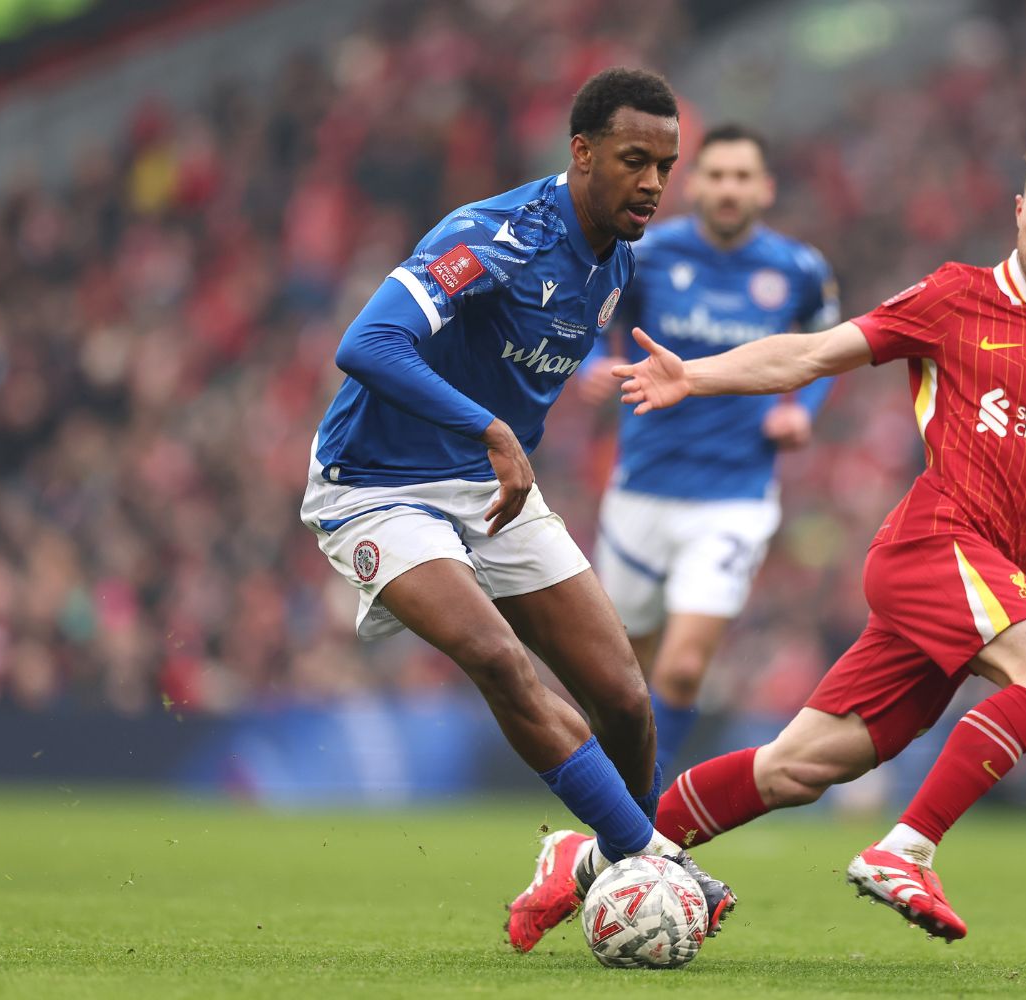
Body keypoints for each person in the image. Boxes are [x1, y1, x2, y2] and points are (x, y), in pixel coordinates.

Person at [616, 132, 1026, 940]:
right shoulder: (956, 296)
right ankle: (908, 849)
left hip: (983, 576)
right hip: (935, 543)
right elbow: (813, 354)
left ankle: (592, 855)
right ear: (1017, 209)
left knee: (801, 766)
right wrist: (696, 374)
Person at [297, 67, 735, 954]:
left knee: (626, 702)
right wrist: (492, 427)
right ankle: (651, 860)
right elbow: (366, 342)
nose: (654, 182)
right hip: (376, 485)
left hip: (490, 487)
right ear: (580, 153)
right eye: (633, 160)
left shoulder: (616, 257)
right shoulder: (494, 236)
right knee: (497, 657)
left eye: (667, 164)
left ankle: (586, 866)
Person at [577, 123, 839, 775]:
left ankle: (645, 813)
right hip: (642, 487)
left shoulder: (798, 270)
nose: (728, 189)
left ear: (765, 188)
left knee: (686, 666)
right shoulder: (647, 254)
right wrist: (589, 364)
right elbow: (591, 318)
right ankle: (622, 816)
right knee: (625, 680)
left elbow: (826, 352)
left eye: (742, 176)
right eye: (716, 175)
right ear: (691, 184)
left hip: (734, 495)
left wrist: (799, 412)